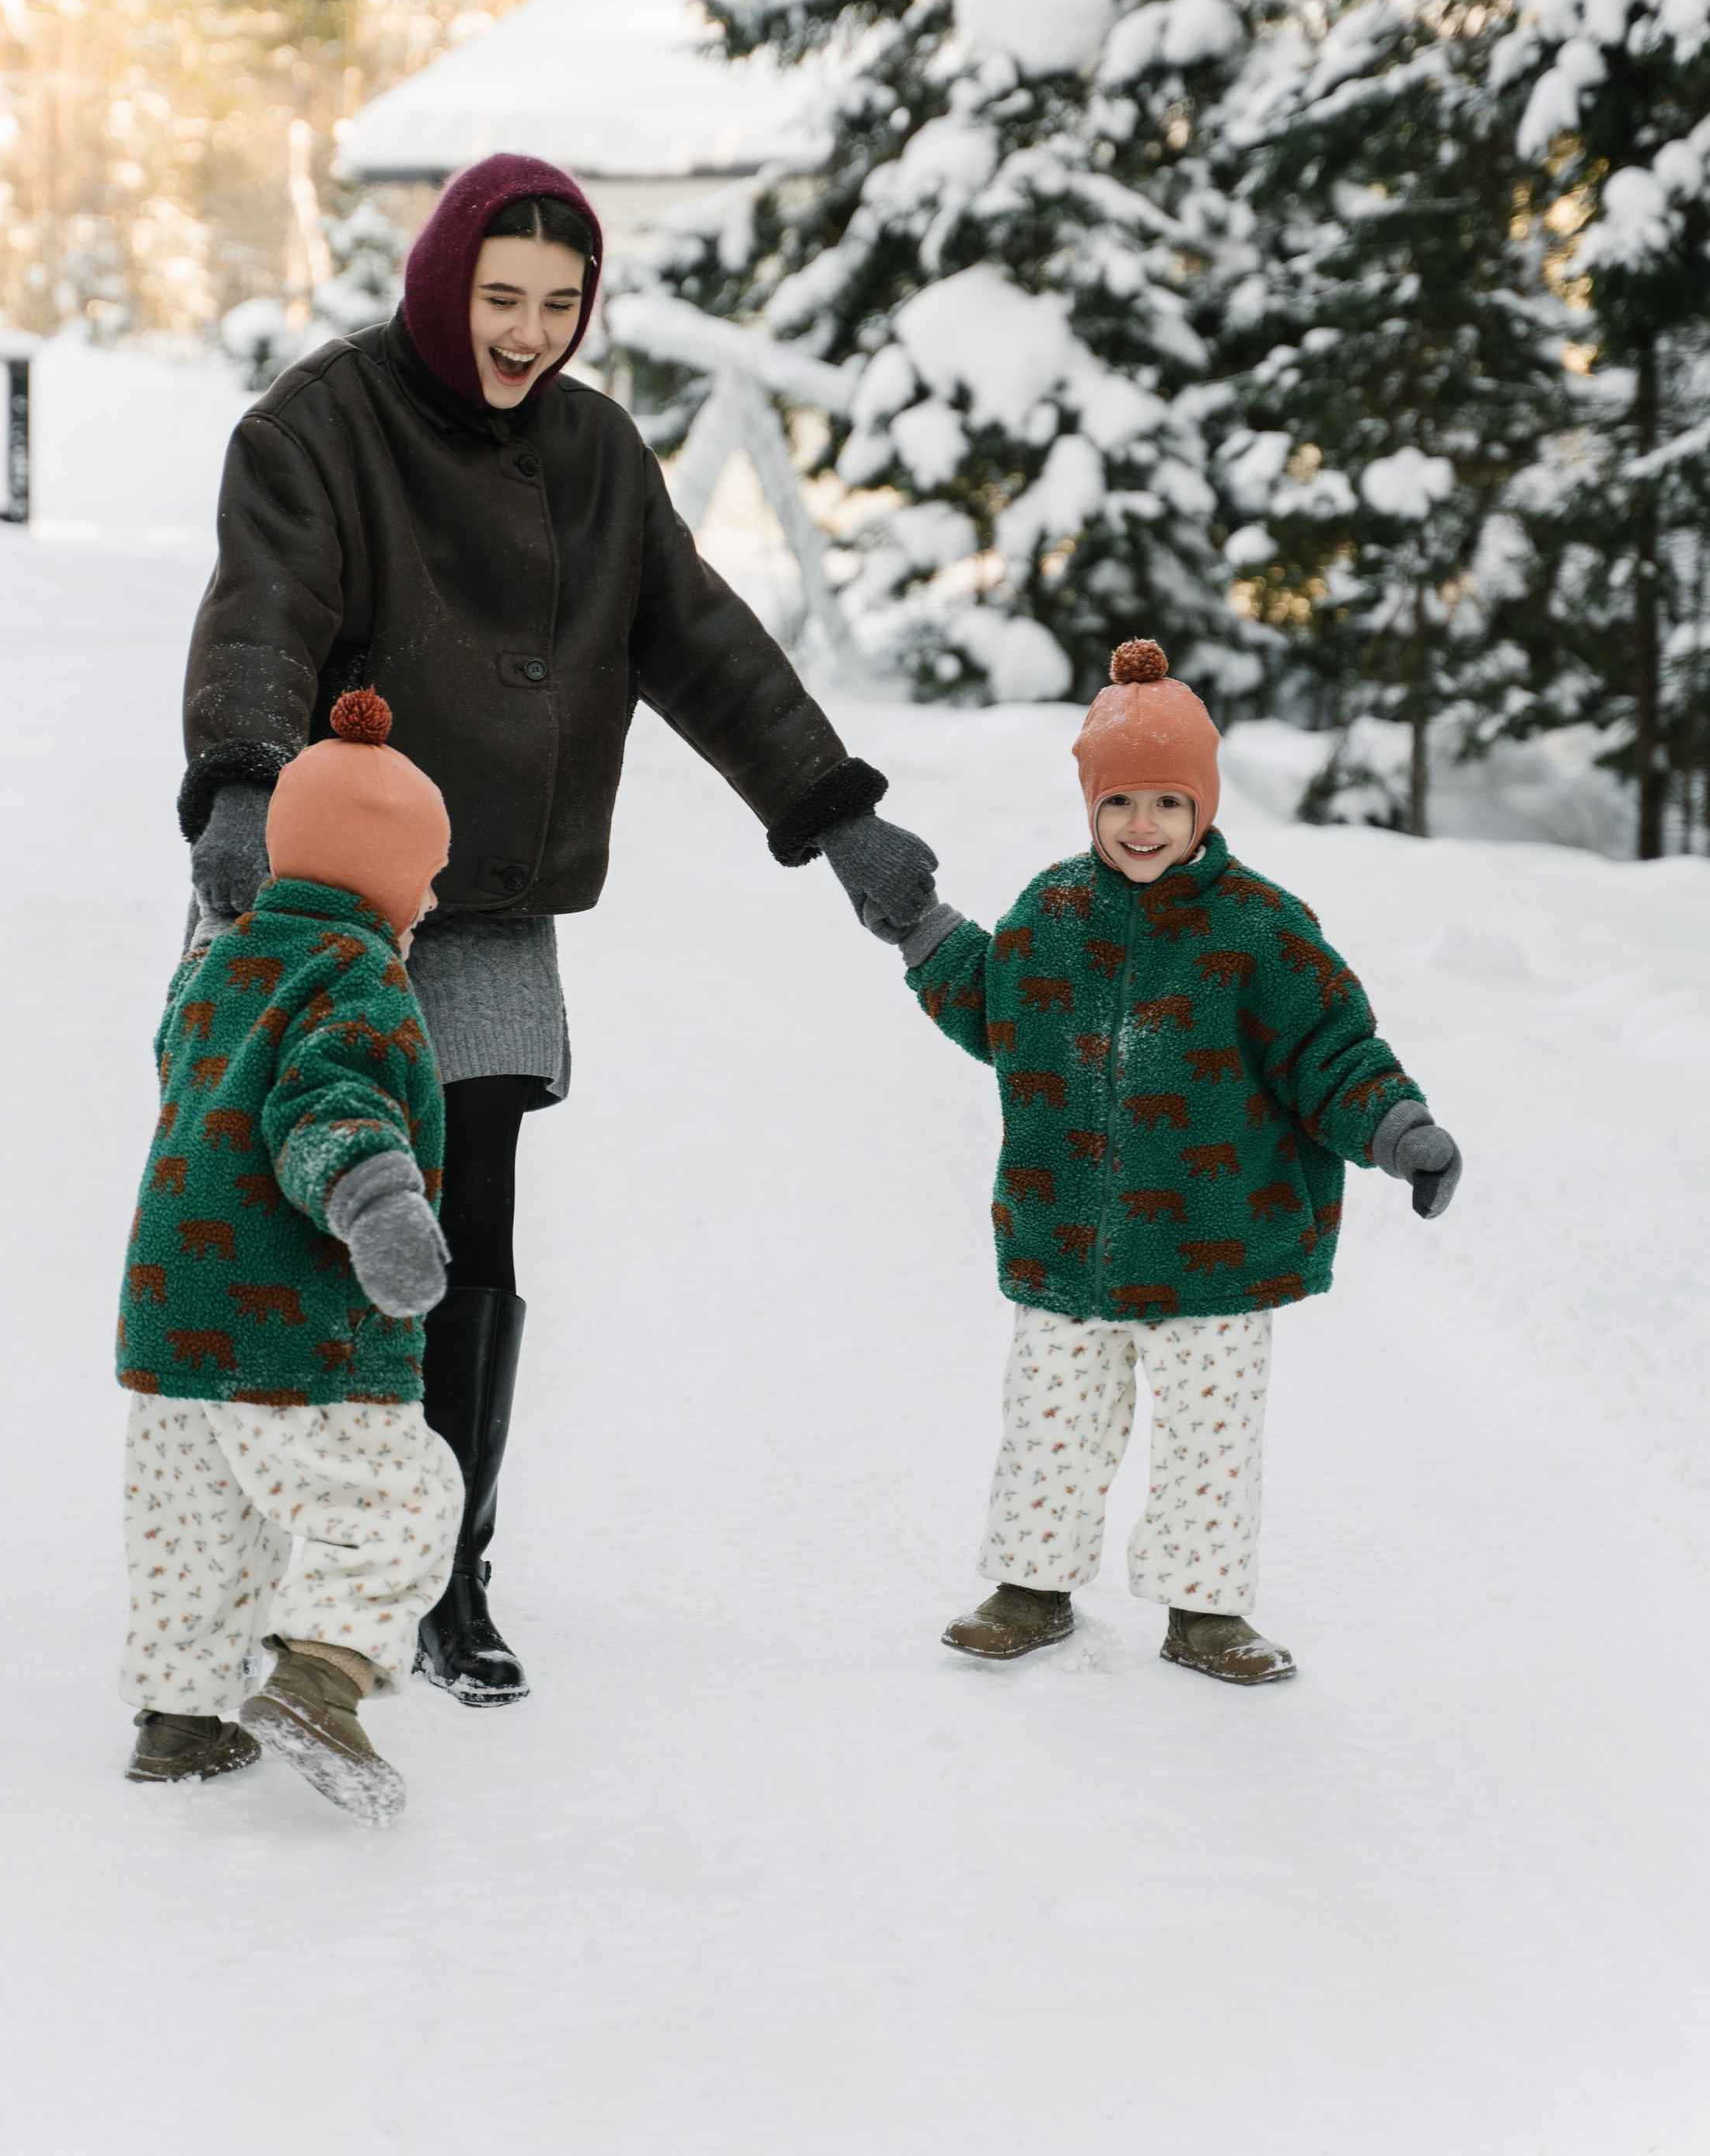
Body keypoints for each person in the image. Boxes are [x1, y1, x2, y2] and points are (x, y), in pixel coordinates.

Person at [177, 151, 939, 1702]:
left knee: (468, 1241)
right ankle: (257, 1571)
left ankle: (441, 1581)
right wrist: (245, 787)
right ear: (442, 283)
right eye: (499, 297)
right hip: (315, 895)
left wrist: (833, 813)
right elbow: (260, 605)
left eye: (558, 301)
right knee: (293, 1233)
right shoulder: (316, 428)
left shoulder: (592, 454)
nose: (526, 332)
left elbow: (705, 644)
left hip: (489, 906)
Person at [892, 636, 1464, 1685]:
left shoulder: (1259, 931)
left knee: (1211, 1439)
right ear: (1091, 810)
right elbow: (990, 1003)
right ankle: (1033, 1584)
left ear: (1203, 805)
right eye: (1119, 805)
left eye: (1165, 802)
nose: (1141, 826)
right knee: (1051, 1424)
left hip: (1218, 1246)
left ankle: (1204, 1611)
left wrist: (1398, 1130)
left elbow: (1330, 1052)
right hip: (1069, 1239)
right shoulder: (1053, 914)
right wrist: (922, 931)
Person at [118, 686, 461, 1824]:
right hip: (289, 1322)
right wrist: (376, 1203)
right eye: (426, 877)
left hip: (173, 1321)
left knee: (198, 1530)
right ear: (390, 882)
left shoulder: (213, 965)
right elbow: (329, 1104)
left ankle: (182, 1722)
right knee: (406, 1499)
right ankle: (321, 1680)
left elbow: (183, 1067)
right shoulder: (360, 977)